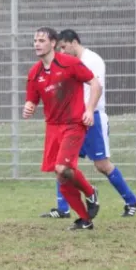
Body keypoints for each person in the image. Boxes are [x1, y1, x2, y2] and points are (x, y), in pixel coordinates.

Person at [40, 29, 136, 219]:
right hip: (72, 122)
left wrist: (88, 110)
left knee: (102, 165)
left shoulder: (92, 60)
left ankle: (131, 200)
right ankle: (63, 208)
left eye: (63, 47)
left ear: (74, 43)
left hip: (92, 119)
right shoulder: (67, 63)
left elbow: (97, 87)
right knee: (61, 163)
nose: (61, 52)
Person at [23, 27, 102, 230]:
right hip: (53, 127)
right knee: (62, 175)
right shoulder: (34, 73)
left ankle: (91, 192)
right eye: (35, 41)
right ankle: (85, 219)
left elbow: (95, 84)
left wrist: (90, 110)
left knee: (62, 168)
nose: (37, 44)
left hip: (74, 124)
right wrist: (28, 107)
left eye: (41, 40)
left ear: (53, 43)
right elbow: (32, 100)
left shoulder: (70, 63)